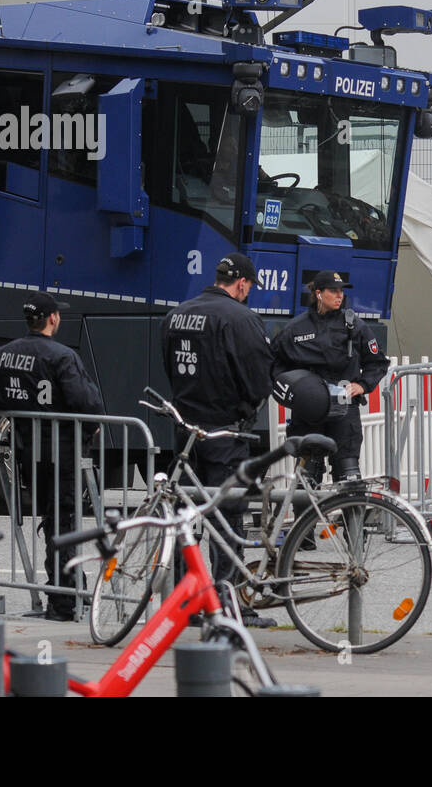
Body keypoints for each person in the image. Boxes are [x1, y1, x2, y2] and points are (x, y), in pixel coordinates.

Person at [0, 291, 103, 620]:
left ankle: (66, 592)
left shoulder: (1, 355)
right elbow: (86, 402)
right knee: (65, 522)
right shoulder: (62, 356)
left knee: (52, 520)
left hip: (29, 452)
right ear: (53, 319)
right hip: (65, 452)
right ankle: (65, 601)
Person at [160, 252, 274, 627]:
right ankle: (226, 604)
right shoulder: (241, 318)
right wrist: (245, 407)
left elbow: (168, 366)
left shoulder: (177, 314)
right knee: (228, 519)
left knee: (183, 517)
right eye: (249, 287)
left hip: (186, 430)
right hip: (225, 429)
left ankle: (184, 602)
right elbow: (259, 379)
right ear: (241, 283)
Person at [270, 270, 389, 485]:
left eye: (341, 291)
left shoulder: (354, 326)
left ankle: (351, 519)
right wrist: (291, 392)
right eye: (333, 291)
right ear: (318, 293)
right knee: (307, 475)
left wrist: (362, 385)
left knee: (348, 473)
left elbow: (378, 362)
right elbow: (275, 365)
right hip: (309, 411)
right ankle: (306, 520)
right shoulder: (295, 329)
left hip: (344, 409)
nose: (339, 295)